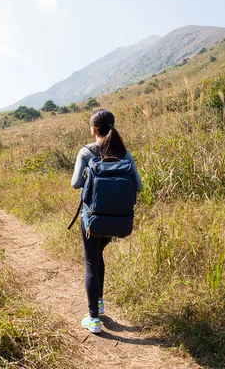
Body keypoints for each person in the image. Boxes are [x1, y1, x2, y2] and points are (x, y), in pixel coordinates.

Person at [70, 109, 143, 333]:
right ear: (111, 126)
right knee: (98, 256)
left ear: (93, 128)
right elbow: (139, 186)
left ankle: (93, 319)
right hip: (116, 220)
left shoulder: (86, 152)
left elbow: (74, 184)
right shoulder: (123, 153)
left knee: (91, 262)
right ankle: (99, 301)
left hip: (92, 220)